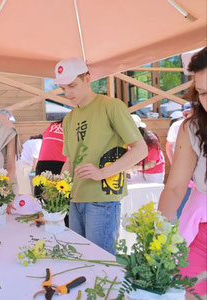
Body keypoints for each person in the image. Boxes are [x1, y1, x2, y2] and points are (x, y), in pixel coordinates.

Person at [56, 57, 147, 255]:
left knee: (102, 265)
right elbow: (69, 160)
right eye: (63, 88)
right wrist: (56, 191)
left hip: (102, 200)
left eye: (72, 85)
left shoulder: (112, 106)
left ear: (88, 78)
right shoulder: (69, 118)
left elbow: (141, 149)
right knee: (82, 261)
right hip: (75, 199)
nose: (68, 93)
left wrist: (103, 173)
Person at [158, 47, 206, 298]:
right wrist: (156, 236)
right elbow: (176, 187)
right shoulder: (193, 127)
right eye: (203, 93)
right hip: (202, 232)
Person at [128, 115, 165, 184]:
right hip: (137, 171)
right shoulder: (127, 139)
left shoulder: (151, 140)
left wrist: (134, 168)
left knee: (154, 193)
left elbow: (152, 164)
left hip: (154, 172)